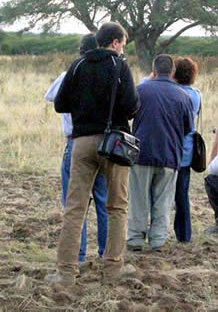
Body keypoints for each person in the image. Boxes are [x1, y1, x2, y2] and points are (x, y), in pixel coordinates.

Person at [45, 22, 140, 286]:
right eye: (123, 42)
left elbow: (60, 104)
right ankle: (112, 270)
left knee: (75, 209)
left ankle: (65, 272)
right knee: (117, 207)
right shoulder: (119, 66)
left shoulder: (77, 66)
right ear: (115, 42)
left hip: (82, 142)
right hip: (114, 145)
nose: (123, 47)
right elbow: (132, 106)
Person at [44, 34, 108, 264]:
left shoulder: (68, 74)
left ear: (80, 50)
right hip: (103, 142)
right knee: (104, 201)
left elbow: (50, 97)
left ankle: (77, 257)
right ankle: (105, 255)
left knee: (75, 203)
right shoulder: (107, 72)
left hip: (75, 140)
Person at [126, 54, 193, 252]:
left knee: (138, 198)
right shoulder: (184, 96)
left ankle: (135, 238)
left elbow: (128, 115)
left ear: (153, 71)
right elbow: (188, 128)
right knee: (163, 200)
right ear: (173, 72)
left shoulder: (140, 90)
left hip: (141, 153)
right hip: (170, 156)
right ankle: (158, 240)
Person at [173, 57, 201, 243]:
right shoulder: (196, 95)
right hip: (187, 151)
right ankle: (184, 235)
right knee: (182, 194)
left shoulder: (173, 93)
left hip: (170, 149)